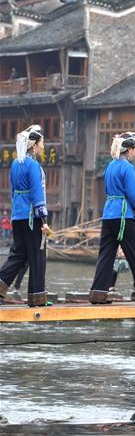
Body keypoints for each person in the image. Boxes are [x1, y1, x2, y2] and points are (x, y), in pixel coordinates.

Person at [88, 132, 135, 304]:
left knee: (106, 255)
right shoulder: (128, 168)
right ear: (129, 149)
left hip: (108, 214)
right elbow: (133, 194)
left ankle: (97, 295)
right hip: (123, 215)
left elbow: (107, 189)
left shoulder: (110, 166)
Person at [0, 125, 52, 307]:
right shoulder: (33, 165)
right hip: (32, 216)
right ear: (33, 146)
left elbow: (13, 192)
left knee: (18, 254)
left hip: (18, 215)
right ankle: (37, 298)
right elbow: (38, 195)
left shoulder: (15, 163)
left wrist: (19, 210)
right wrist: (44, 221)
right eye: (41, 144)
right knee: (38, 256)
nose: (43, 147)